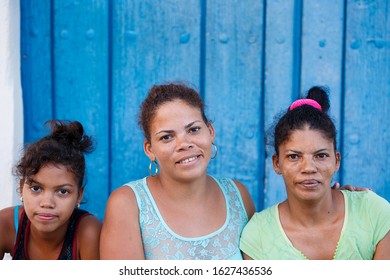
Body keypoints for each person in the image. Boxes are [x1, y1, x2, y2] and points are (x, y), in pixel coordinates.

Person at [100, 82, 256, 260]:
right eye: (167, 137)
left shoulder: (238, 196)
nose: (184, 144)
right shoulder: (128, 204)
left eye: (194, 129)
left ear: (210, 131)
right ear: (150, 149)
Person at [239, 86, 390, 260]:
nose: (309, 168)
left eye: (321, 155)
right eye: (294, 156)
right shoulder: (259, 236)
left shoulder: (372, 212)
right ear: (277, 163)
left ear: (336, 161)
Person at [0, 120, 102, 260]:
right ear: (21, 187)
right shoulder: (6, 224)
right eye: (36, 188)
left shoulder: (88, 233)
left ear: (79, 195)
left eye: (63, 192)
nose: (47, 203)